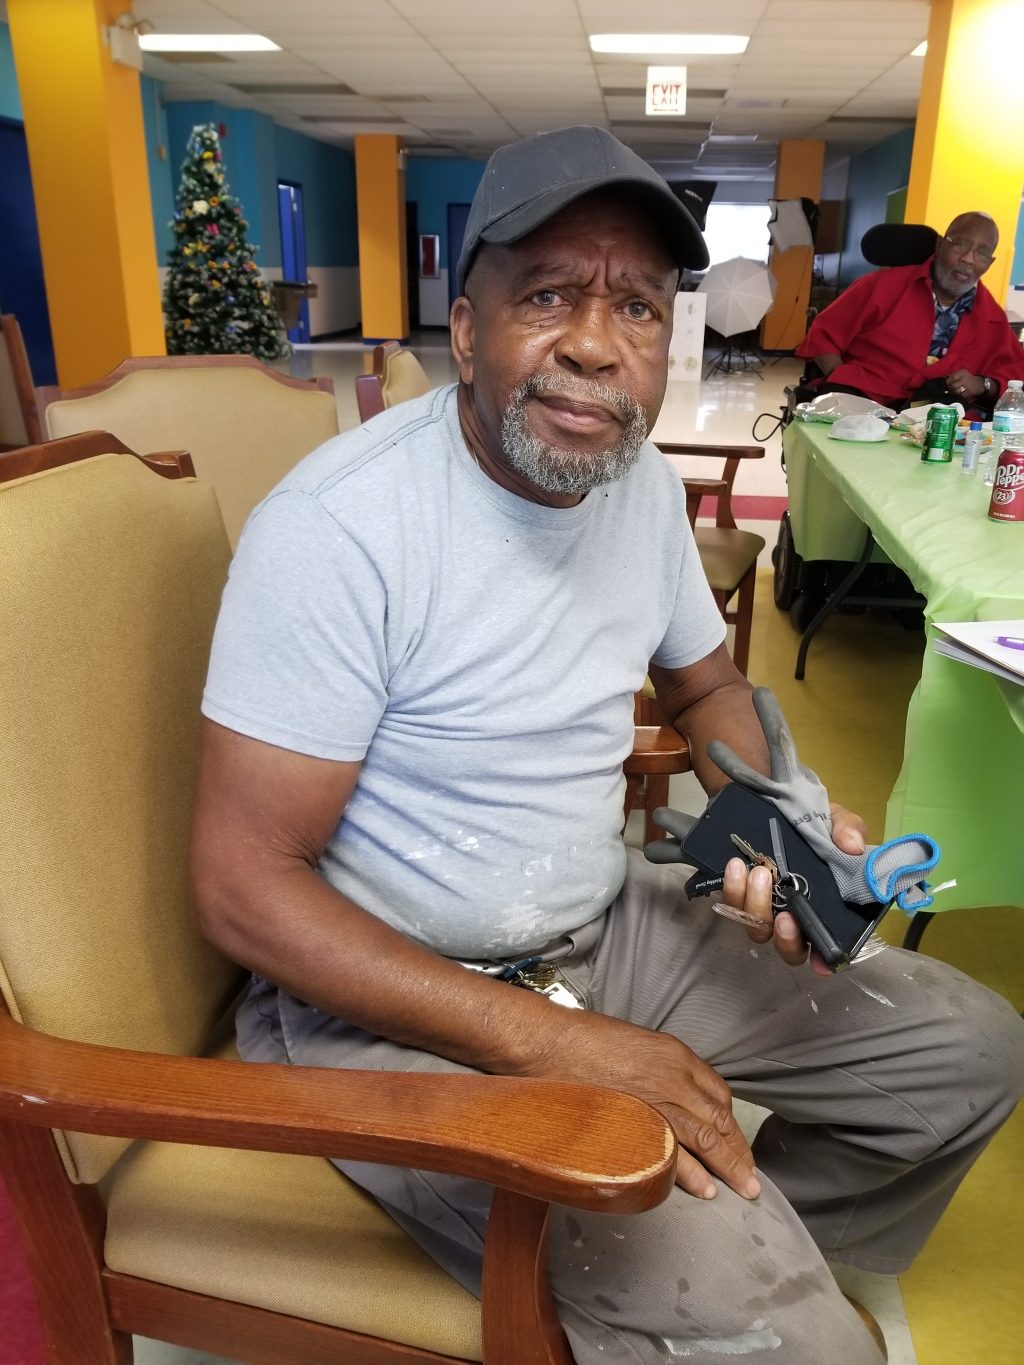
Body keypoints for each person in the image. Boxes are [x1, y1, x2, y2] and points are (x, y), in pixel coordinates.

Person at [190, 127, 1023, 1364]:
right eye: (546, 295)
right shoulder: (337, 532)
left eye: (635, 304)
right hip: (394, 1002)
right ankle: (740, 1306)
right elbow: (240, 888)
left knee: (969, 1053)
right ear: (465, 329)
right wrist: (555, 1042)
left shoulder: (628, 484)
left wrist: (778, 812)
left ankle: (741, 1267)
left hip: (597, 927)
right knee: (808, 1348)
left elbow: (705, 689)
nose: (594, 341)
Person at [797, 212, 1024, 414]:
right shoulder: (878, 287)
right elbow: (823, 334)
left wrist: (982, 384)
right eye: (960, 245)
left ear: (989, 263)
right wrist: (839, 379)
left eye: (982, 254)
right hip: (861, 399)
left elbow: (1014, 374)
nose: (968, 259)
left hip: (933, 417)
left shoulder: (992, 318)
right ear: (940, 245)